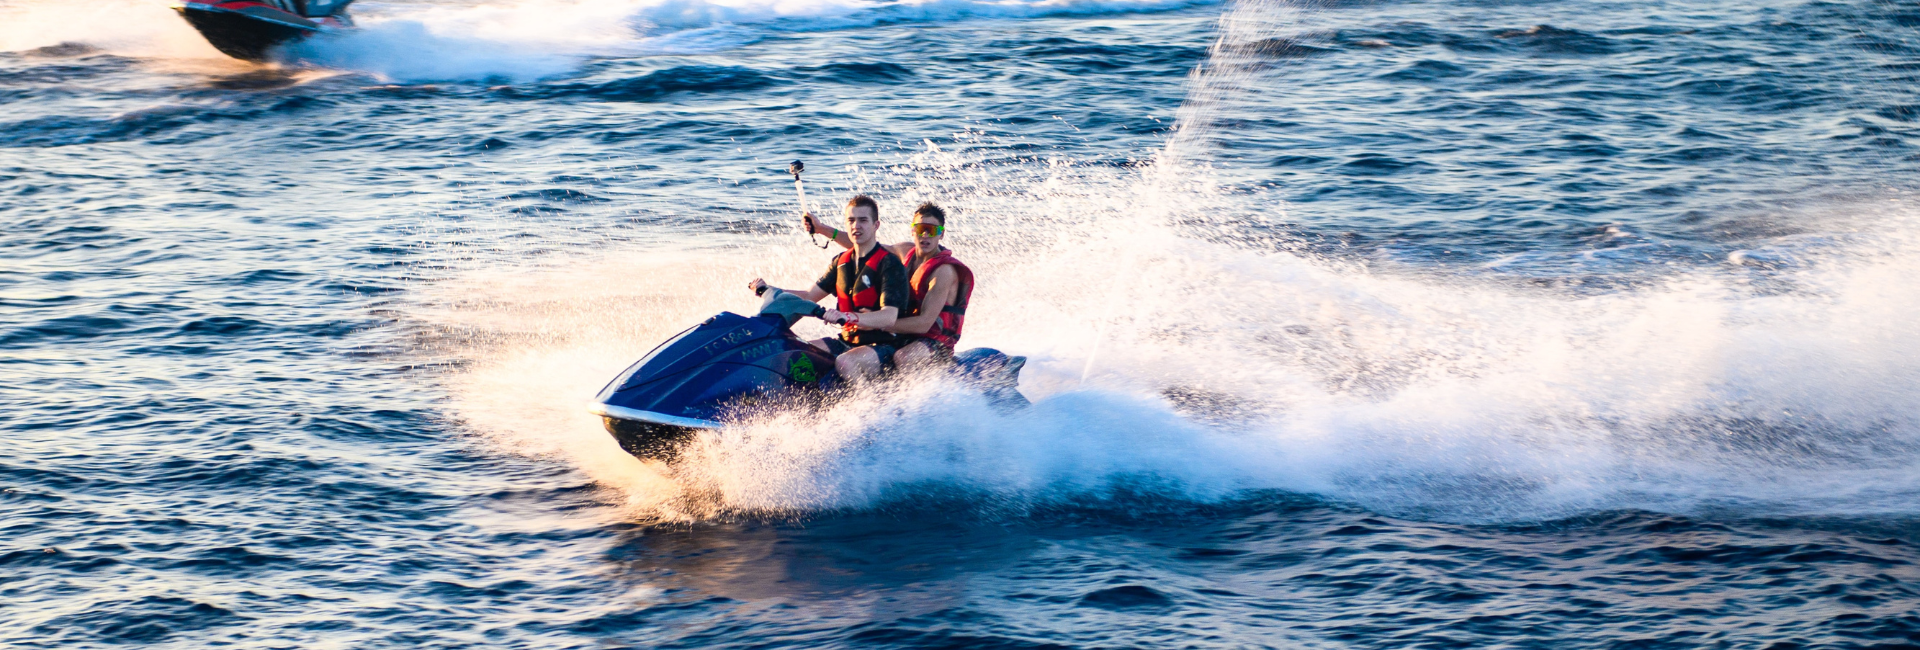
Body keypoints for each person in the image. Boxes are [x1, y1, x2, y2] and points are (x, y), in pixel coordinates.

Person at [749, 195, 910, 382]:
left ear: (876, 225)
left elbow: (889, 317)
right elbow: (809, 296)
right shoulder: (840, 262)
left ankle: (870, 409)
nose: (856, 226)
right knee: (790, 353)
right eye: (851, 220)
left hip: (883, 346)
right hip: (845, 341)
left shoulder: (889, 264)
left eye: (863, 220)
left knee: (845, 362)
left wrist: (848, 317)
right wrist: (769, 290)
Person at [807, 202, 972, 368]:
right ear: (913, 231)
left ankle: (911, 394)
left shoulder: (944, 272)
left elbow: (924, 324)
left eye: (933, 230)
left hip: (934, 341)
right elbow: (863, 246)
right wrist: (821, 229)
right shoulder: (904, 251)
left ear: (941, 234)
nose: (926, 235)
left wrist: (875, 323)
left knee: (903, 357)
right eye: (921, 229)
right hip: (903, 333)